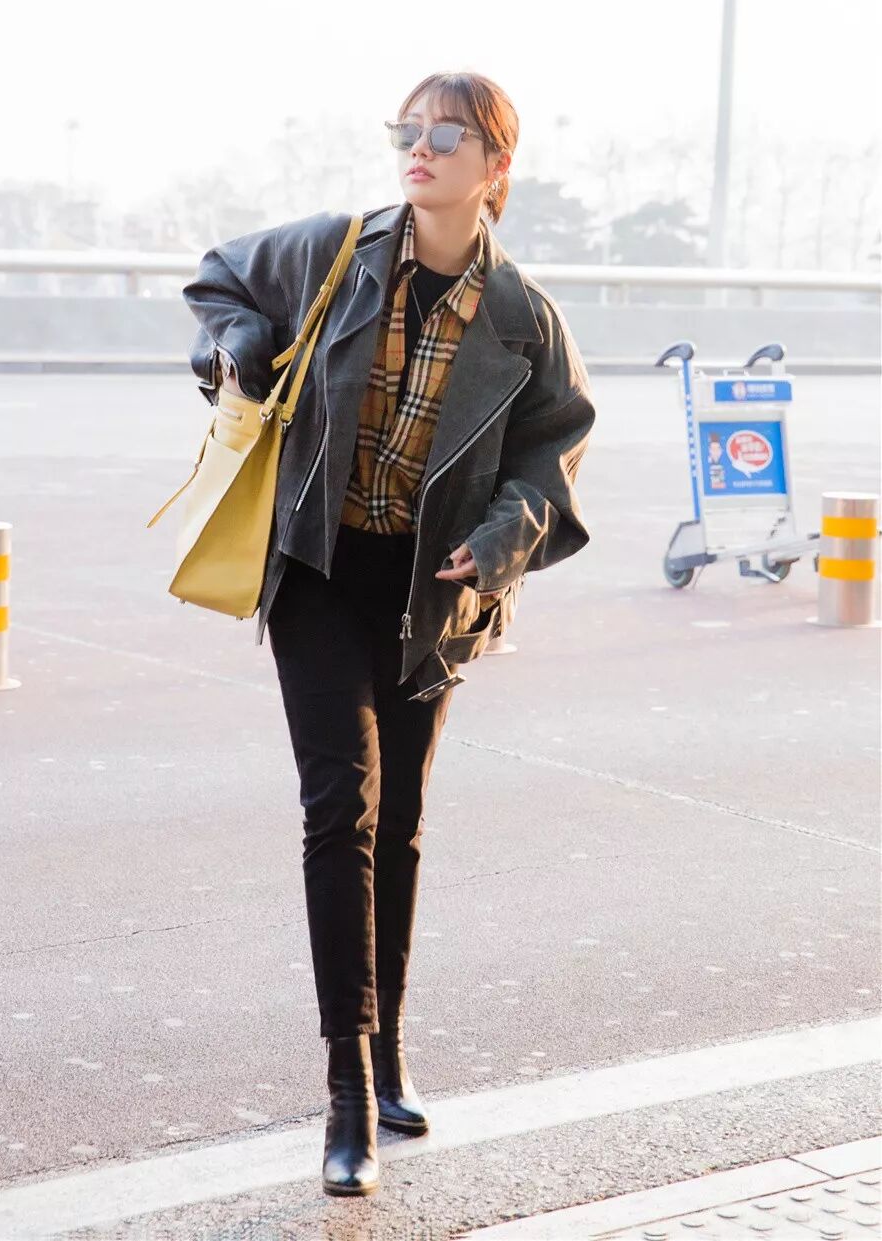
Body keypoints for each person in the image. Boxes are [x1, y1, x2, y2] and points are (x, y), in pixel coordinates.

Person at [182, 71, 596, 1197]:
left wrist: (501, 541)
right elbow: (217, 278)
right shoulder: (337, 248)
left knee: (401, 817)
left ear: (495, 168)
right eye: (408, 129)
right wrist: (238, 343)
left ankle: (390, 1048)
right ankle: (346, 1094)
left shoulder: (522, 316)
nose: (420, 147)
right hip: (318, 567)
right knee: (341, 812)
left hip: (432, 589)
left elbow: (553, 453)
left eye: (446, 134)